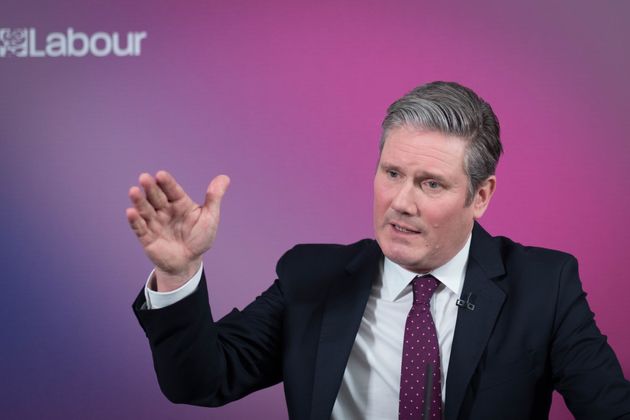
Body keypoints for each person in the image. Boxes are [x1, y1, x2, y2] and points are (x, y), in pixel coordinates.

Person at [128, 81, 630, 420]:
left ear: (480, 196)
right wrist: (180, 273)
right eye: (392, 174)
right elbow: (199, 382)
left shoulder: (544, 286)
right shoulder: (312, 277)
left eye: (431, 184)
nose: (401, 202)